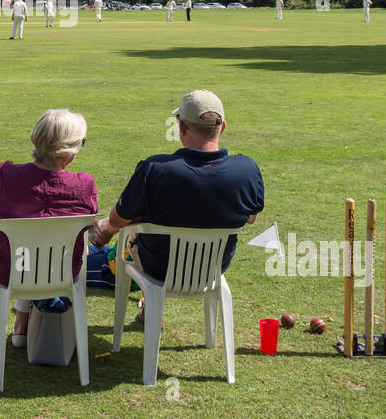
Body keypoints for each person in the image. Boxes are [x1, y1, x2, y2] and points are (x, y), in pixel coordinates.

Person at [89, 90, 264, 292]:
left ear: (181, 127)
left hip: (158, 268)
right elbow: (250, 218)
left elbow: (117, 220)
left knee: (115, 242)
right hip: (212, 269)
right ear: (223, 127)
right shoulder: (247, 169)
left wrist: (111, 227)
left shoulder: (155, 169)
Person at [0, 109, 98, 346]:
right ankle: (22, 322)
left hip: (13, 265)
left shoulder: (7, 175)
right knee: (33, 248)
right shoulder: (84, 185)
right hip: (59, 269)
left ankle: (21, 323)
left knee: (24, 247)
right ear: (69, 151)